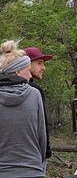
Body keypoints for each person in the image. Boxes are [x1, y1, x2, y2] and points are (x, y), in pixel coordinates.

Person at [0, 40, 46, 177]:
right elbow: (42, 137)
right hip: (32, 170)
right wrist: (37, 164)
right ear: (18, 71)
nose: (30, 75)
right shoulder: (34, 94)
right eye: (27, 70)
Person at [24, 47, 53, 164]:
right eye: (39, 63)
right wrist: (46, 152)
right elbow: (42, 125)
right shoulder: (35, 91)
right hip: (33, 156)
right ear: (27, 64)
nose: (43, 68)